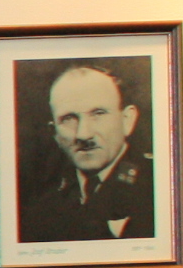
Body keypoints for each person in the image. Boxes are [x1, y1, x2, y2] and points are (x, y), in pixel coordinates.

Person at [19, 62, 158, 242]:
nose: (83, 134)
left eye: (98, 114)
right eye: (68, 119)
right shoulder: (41, 212)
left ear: (127, 120)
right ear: (55, 134)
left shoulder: (160, 190)